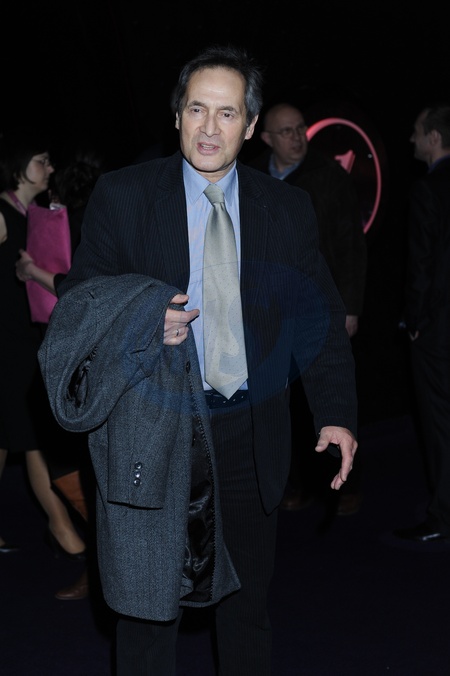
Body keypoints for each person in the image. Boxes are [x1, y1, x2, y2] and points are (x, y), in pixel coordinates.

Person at [39, 45, 358, 675]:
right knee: (147, 620)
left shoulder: (286, 209)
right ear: (177, 114)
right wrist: (140, 320)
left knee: (247, 612)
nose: (209, 128)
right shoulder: (124, 195)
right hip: (155, 434)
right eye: (196, 109)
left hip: (248, 436)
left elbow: (316, 318)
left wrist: (336, 413)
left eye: (227, 112)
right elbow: (78, 307)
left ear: (250, 124)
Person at [248, 102, 367, 515]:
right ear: (266, 138)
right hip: (269, 313)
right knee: (283, 405)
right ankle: (293, 484)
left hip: (320, 305)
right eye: (286, 131)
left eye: (300, 128)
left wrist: (349, 307)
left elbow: (351, 245)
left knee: (333, 394)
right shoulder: (249, 178)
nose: (297, 137)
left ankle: (347, 483)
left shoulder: (328, 175)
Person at [15, 148, 105, 598]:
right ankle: (104, 558)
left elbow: (78, 289)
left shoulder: (80, 221)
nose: (47, 174)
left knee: (69, 456)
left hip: (81, 353)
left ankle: (105, 559)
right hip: (96, 350)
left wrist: (33, 271)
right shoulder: (102, 214)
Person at [0, 128, 86, 559]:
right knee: (23, 431)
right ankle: (62, 526)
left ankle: (61, 525)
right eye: (42, 160)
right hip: (6, 341)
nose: (50, 168)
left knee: (24, 431)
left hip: (29, 335)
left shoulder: (34, 212)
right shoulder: (1, 212)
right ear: (18, 166)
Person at [393, 103, 450, 543]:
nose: (412, 139)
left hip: (438, 330)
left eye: (416, 131)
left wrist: (414, 322)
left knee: (439, 422)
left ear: (434, 138)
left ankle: (444, 517)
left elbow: (422, 266)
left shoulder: (428, 190)